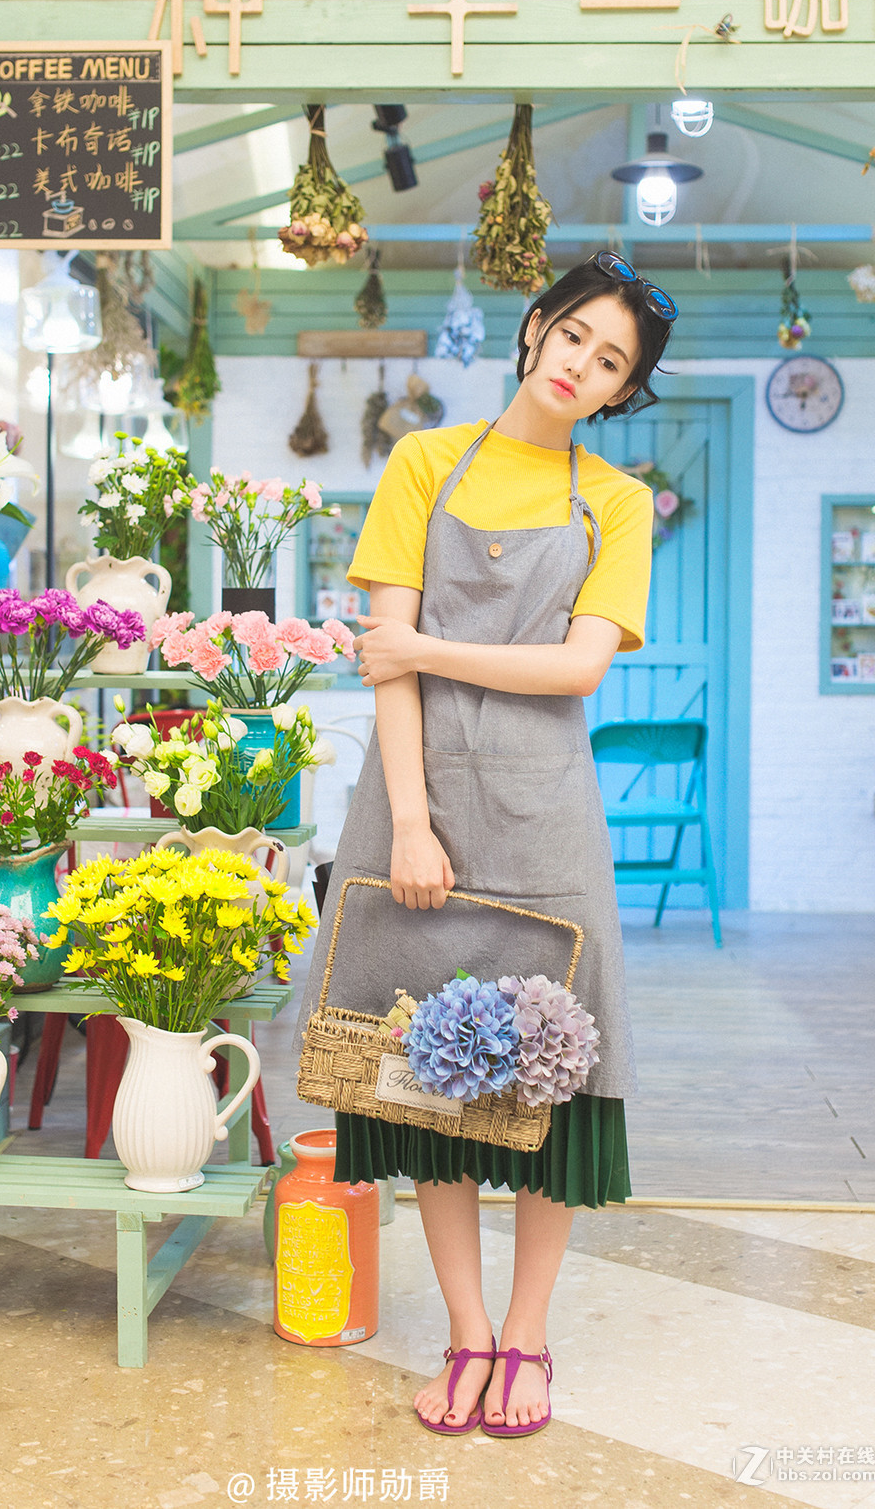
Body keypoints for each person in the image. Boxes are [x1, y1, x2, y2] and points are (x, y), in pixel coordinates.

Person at [295, 252, 676, 1436]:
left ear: (620, 393)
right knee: (426, 1081)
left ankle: (528, 1341)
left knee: (548, 1077)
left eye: (610, 363)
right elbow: (380, 665)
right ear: (532, 328)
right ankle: (465, 1332)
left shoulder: (615, 502)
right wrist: (409, 819)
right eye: (574, 337)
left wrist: (422, 650)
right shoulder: (421, 462)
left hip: (548, 815)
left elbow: (575, 667)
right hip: (418, 806)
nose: (582, 366)